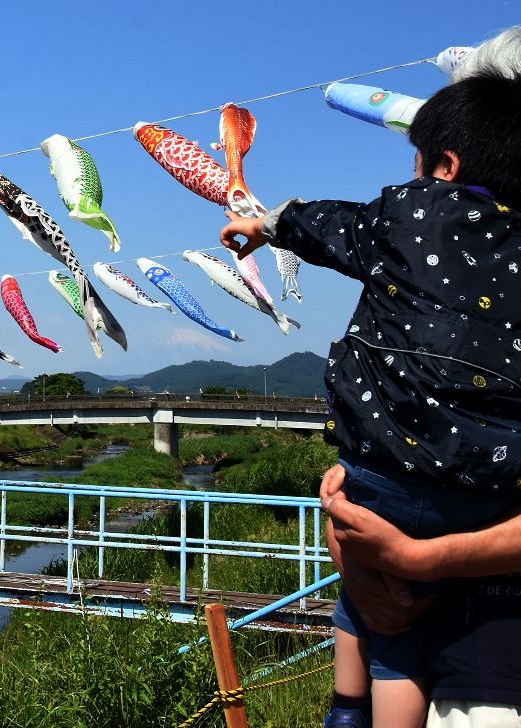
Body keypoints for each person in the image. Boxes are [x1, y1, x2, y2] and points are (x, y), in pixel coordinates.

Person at [220, 69, 521, 728]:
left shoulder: (408, 214)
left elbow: (327, 225)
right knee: (397, 609)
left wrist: (266, 223)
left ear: (445, 166)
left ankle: (349, 708)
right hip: (486, 494)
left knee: (383, 618)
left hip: (380, 470)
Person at [322, 465, 521, 726]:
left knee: (391, 644)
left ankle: (346, 709)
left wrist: (411, 557)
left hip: (491, 681)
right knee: (392, 644)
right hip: (477, 667)